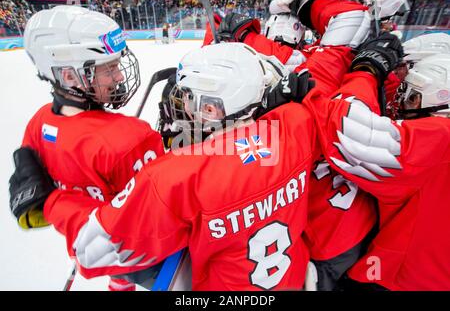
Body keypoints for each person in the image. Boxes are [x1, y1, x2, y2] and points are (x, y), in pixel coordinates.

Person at [11, 42, 320, 290]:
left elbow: (95, 249)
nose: (183, 107)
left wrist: (52, 201)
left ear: (211, 108)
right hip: (292, 280)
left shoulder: (172, 176)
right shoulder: (295, 126)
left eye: (189, 98)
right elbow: (240, 146)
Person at [213, 0, 379, 290]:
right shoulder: (336, 66)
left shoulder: (295, 84)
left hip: (321, 237)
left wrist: (242, 38)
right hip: (351, 219)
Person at [9, 5, 165, 291]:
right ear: (69, 75)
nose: (119, 77)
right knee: (122, 276)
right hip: (133, 255)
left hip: (87, 247)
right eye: (109, 68)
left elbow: (42, 196)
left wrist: (57, 208)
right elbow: (159, 218)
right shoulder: (132, 138)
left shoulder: (39, 122)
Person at [309, 32, 450, 290]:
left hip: (398, 279)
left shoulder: (441, 136)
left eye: (411, 95)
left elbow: (347, 133)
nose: (402, 102)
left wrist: (366, 71)